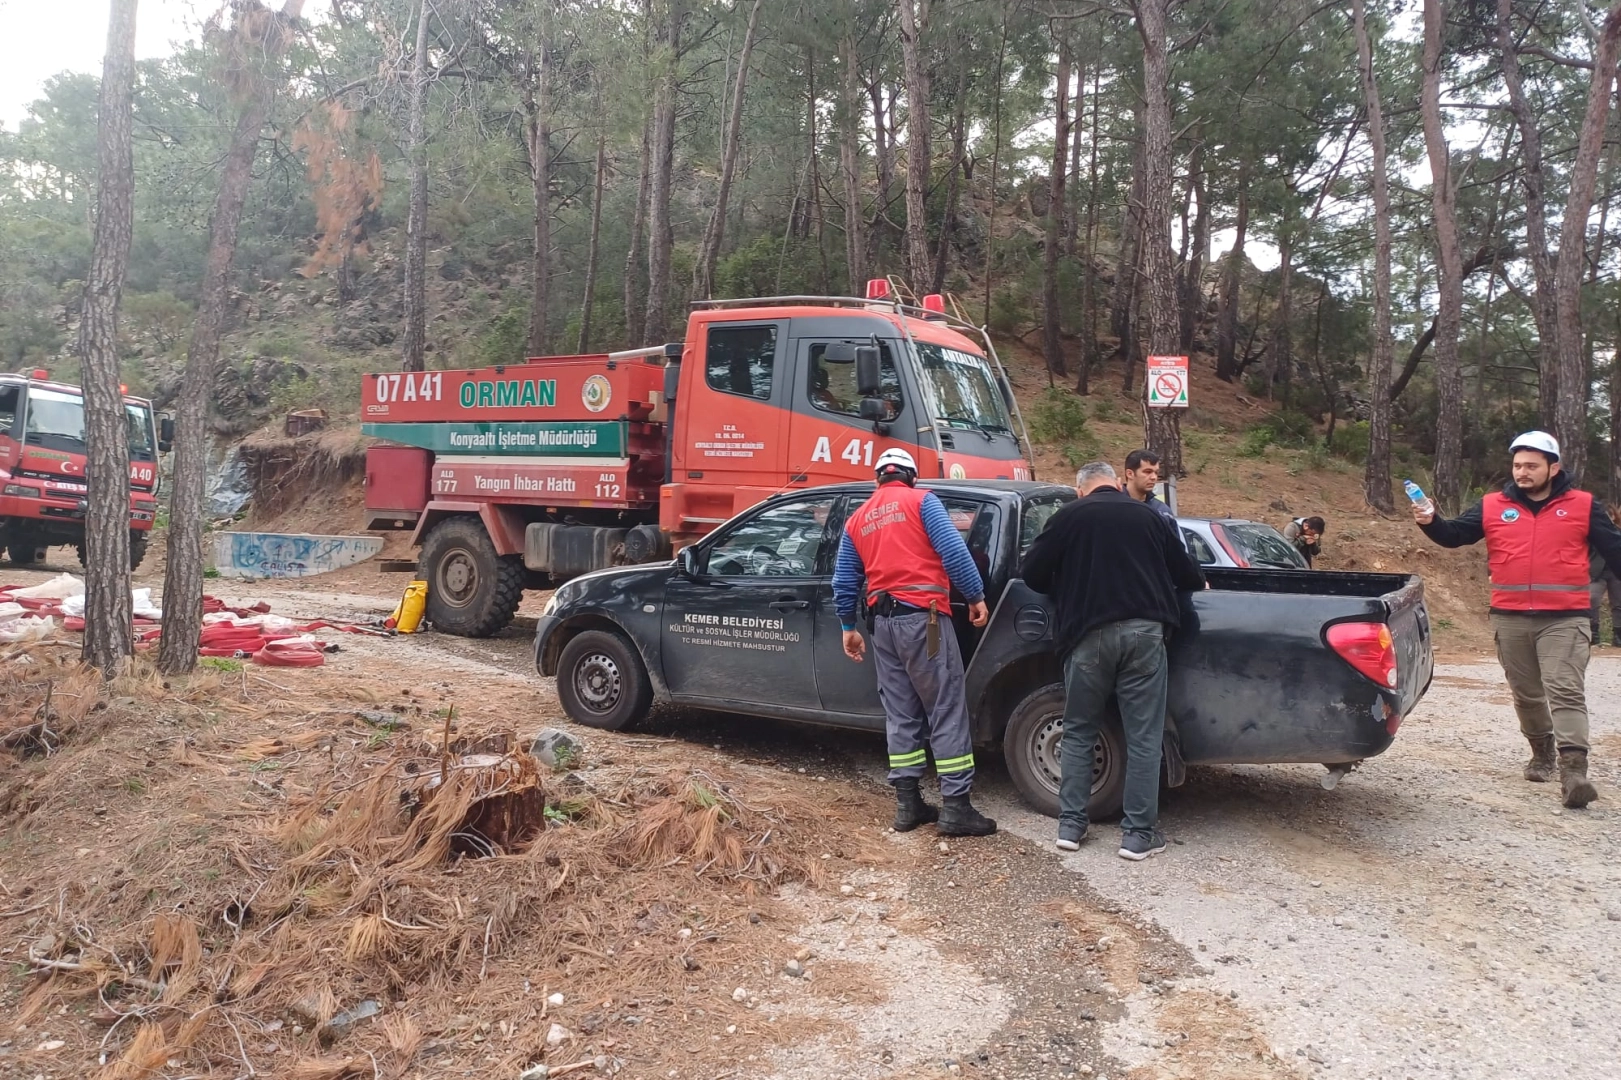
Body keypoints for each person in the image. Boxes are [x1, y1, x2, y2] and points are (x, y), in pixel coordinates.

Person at [1414, 431, 1621, 808]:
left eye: (1531, 465)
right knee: (1526, 694)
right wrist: (1430, 520)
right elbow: (1455, 535)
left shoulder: (1583, 505)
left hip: (1565, 617)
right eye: (1517, 465)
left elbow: (1616, 552)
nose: (1522, 472)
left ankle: (1574, 771)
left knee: (1564, 688)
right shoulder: (1494, 505)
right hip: (1510, 617)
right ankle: (1541, 752)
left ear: (1553, 467)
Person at [1020, 461, 1207, 860]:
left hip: (1088, 636)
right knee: (1142, 735)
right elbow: (1188, 575)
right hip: (1145, 634)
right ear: (1116, 483)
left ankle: (1071, 826)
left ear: (1081, 489)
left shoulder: (1068, 516)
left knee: (1079, 730)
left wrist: (1067, 581)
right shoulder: (1149, 516)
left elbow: (1032, 574)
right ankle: (1138, 835)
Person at [833, 448, 996, 837]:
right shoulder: (923, 500)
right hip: (925, 621)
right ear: (911, 478)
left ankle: (908, 805)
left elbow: (844, 579)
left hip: (882, 626)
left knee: (901, 712)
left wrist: (846, 626)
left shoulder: (858, 518)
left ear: (877, 481)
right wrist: (975, 596)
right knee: (945, 707)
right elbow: (954, 551)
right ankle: (956, 807)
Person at [1123, 449, 1177, 524]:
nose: (1154, 477)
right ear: (1130, 474)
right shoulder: (1113, 505)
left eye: (1156, 472)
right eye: (1148, 472)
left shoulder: (1162, 511)